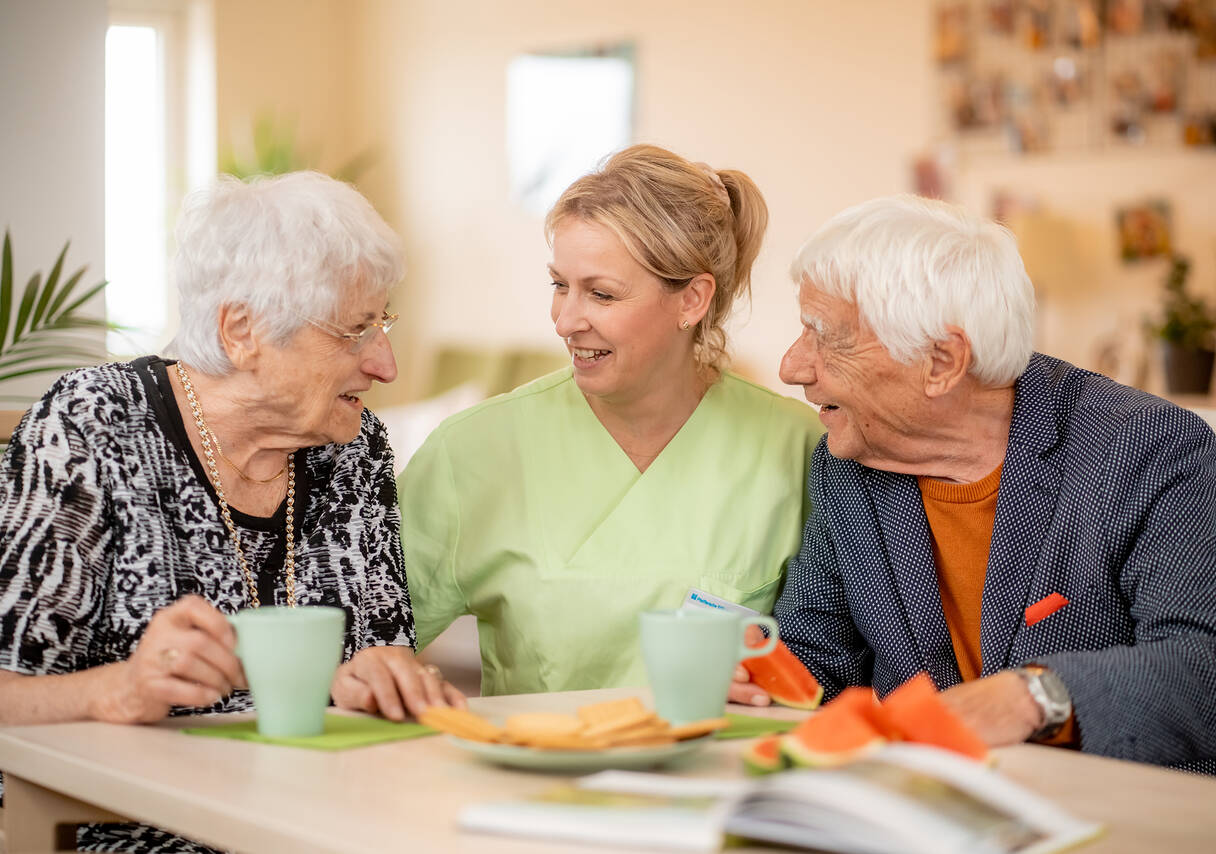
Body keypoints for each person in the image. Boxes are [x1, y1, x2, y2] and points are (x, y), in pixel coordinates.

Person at [0, 172, 465, 851]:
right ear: (242, 331)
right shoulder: (90, 427)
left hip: (317, 822)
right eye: (356, 330)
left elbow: (378, 655)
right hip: (127, 829)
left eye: (382, 323)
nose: (386, 364)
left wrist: (383, 682)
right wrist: (119, 689)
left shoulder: (352, 446)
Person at [749, 193, 1216, 784]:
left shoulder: (1143, 445)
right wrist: (755, 668)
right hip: (953, 810)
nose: (792, 367)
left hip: (1161, 809)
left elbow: (1212, 676)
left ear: (942, 361)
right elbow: (817, 659)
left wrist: (1032, 698)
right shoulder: (848, 462)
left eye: (825, 337)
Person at [399, 145, 823, 695]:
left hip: (724, 777)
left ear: (692, 299)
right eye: (559, 285)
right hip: (536, 773)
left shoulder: (796, 448)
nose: (566, 321)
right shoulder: (474, 451)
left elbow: (829, 664)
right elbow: (357, 646)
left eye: (600, 293)